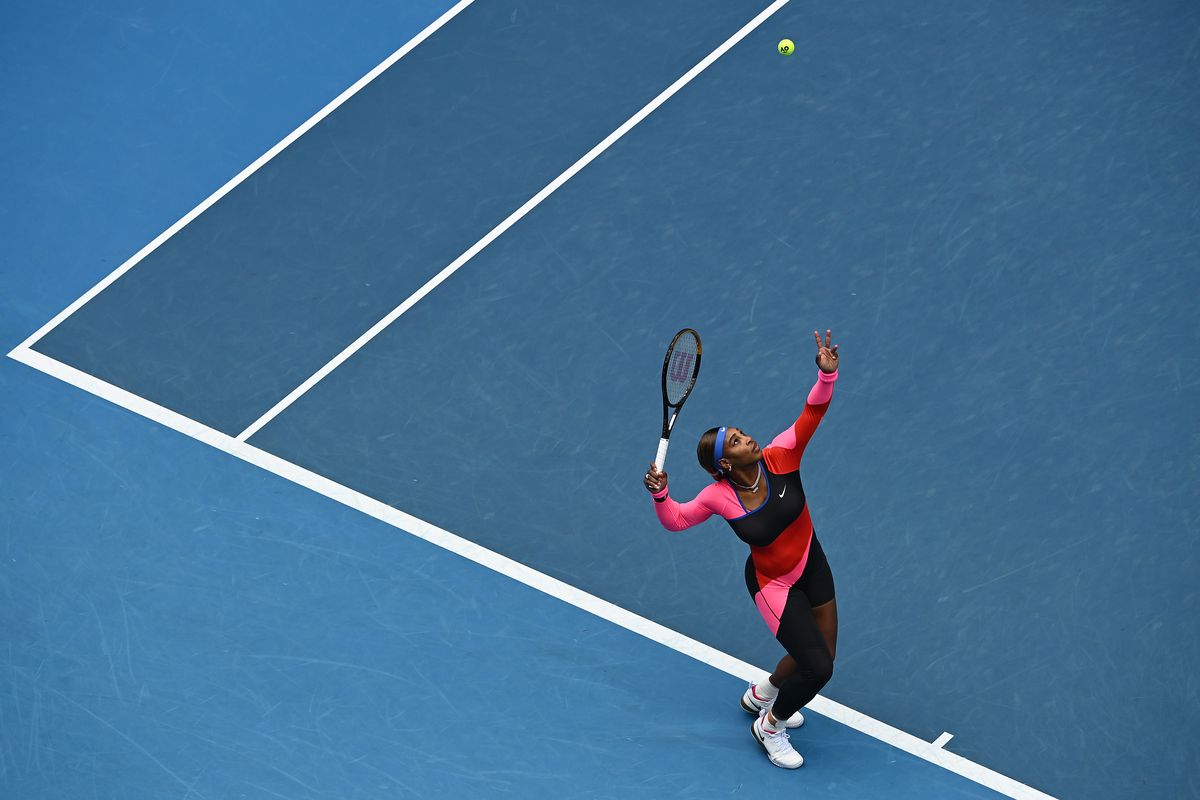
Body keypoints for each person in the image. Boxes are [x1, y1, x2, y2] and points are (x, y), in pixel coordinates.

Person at [643, 329, 840, 769]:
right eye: (735, 442)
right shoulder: (719, 497)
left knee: (822, 652)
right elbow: (676, 520)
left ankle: (763, 693)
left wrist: (826, 375)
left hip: (813, 561)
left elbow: (812, 413)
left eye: (743, 433)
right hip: (774, 585)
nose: (748, 438)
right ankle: (770, 725)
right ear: (725, 466)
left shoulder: (781, 456)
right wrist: (661, 494)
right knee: (819, 669)